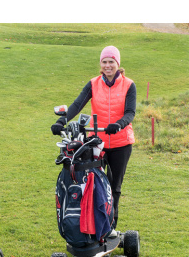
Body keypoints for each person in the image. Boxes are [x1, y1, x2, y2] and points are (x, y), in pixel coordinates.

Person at [51, 45, 136, 235]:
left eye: (111, 62)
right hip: (96, 143)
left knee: (114, 187)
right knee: (92, 184)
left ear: (117, 64)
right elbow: (77, 104)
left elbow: (130, 112)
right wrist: (61, 121)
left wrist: (120, 124)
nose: (108, 66)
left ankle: (110, 228)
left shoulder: (129, 85)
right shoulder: (93, 83)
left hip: (121, 143)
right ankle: (90, 225)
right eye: (104, 62)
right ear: (101, 64)